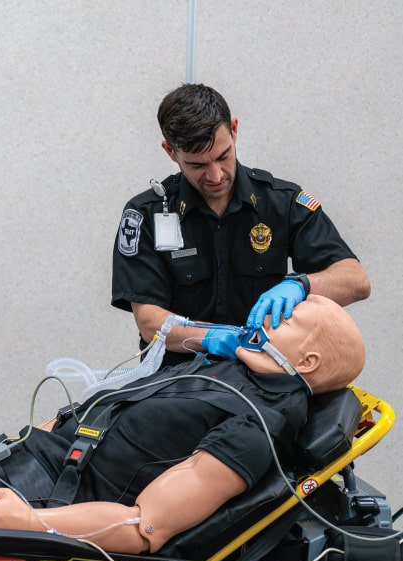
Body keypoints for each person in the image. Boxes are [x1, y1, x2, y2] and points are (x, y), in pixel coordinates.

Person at [0, 295, 365, 555]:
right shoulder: (219, 369)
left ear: (307, 361)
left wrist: (30, 524)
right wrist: (3, 447)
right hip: (7, 473)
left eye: (285, 319)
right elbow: (100, 412)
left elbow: (144, 526)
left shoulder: (253, 426)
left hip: (28, 508)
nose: (263, 318)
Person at [112, 83, 370, 367]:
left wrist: (302, 285)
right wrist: (211, 337)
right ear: (170, 152)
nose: (215, 175)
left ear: (234, 130)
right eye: (197, 165)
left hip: (265, 373)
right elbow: (149, 321)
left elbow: (355, 279)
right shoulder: (145, 214)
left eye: (223, 156)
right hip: (180, 377)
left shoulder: (281, 202)